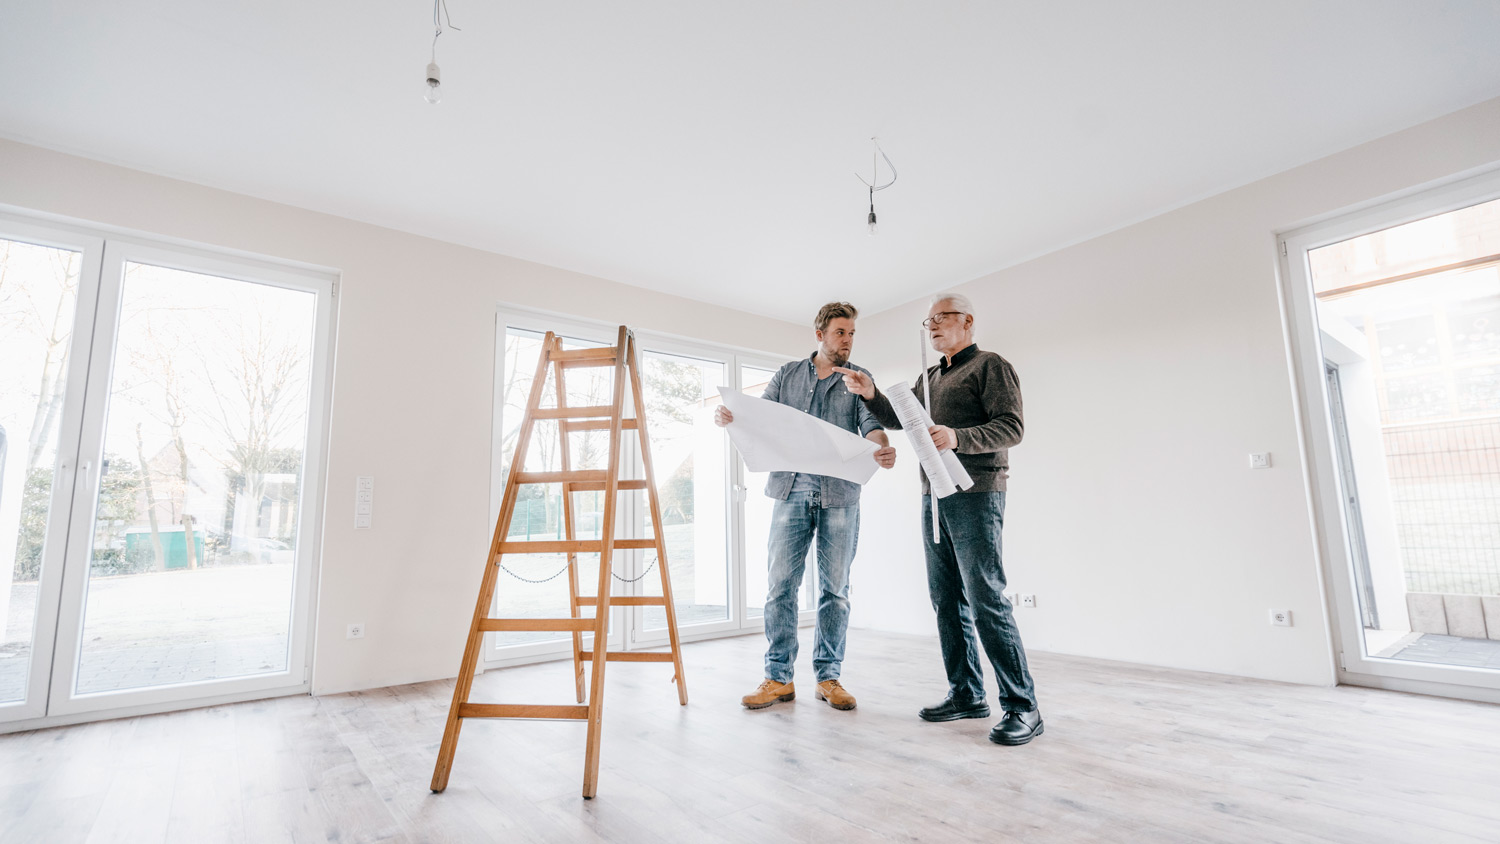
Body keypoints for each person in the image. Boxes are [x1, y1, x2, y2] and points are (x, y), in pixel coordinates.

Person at [834, 293, 1042, 745]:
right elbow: (906, 422)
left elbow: (1012, 427)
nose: (932, 327)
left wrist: (957, 436)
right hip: (933, 494)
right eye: (928, 321)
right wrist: (870, 394)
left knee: (986, 597)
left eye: (941, 318)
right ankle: (967, 693)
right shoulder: (928, 377)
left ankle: (1023, 706)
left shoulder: (990, 366)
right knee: (946, 599)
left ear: (967, 321)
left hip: (976, 492)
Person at [715, 301, 896, 711]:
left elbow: (872, 428)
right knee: (781, 588)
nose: (847, 341)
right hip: (789, 494)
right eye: (840, 333)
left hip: (840, 498)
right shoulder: (788, 375)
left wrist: (882, 449)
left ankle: (829, 678)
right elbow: (759, 419)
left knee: (836, 591)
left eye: (851, 333)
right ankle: (777, 678)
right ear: (820, 334)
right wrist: (730, 417)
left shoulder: (858, 380)